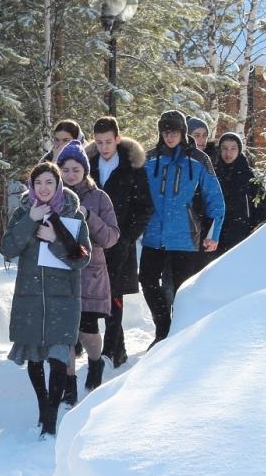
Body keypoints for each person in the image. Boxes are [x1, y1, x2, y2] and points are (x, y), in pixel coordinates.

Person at [1, 162, 91, 439]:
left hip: (62, 299)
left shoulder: (72, 214)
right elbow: (7, 248)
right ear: (32, 186)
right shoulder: (22, 212)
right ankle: (43, 407)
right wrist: (30, 219)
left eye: (49, 183)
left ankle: (51, 419)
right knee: (35, 358)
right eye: (38, 183)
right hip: (30, 298)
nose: (43, 188)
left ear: (58, 185)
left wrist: (55, 239)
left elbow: (81, 259)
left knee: (58, 358)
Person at [140, 110, 225, 349]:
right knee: (146, 279)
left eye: (174, 132)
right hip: (154, 234)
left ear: (182, 133)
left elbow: (215, 199)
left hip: (185, 235)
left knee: (182, 290)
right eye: (165, 132)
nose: (169, 137)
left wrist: (213, 234)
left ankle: (181, 339)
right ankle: (163, 328)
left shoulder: (198, 159)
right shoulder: (149, 159)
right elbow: (137, 194)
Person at [85, 116, 152, 369]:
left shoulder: (133, 166)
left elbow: (144, 207)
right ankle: (104, 346)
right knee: (92, 296)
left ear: (118, 139)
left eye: (108, 142)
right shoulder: (87, 165)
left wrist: (126, 238)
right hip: (91, 241)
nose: (104, 147)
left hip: (120, 242)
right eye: (99, 142)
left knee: (114, 295)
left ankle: (114, 348)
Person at [56, 140, 119, 403]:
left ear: (85, 170)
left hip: (90, 274)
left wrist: (89, 216)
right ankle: (68, 383)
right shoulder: (53, 196)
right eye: (66, 169)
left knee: (87, 330)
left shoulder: (98, 197)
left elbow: (112, 237)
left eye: (75, 169)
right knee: (66, 333)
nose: (70, 175)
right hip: (60, 273)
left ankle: (95, 362)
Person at [213, 132, 266, 254]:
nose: (228, 153)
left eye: (233, 148)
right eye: (224, 148)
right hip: (215, 238)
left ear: (239, 150)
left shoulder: (249, 176)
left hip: (241, 237)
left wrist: (253, 232)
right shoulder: (213, 174)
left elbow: (262, 208)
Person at [187, 116, 220, 271]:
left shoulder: (212, 161)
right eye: (196, 135)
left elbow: (215, 200)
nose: (201, 140)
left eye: (204, 135)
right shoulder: (180, 160)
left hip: (203, 228)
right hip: (182, 228)